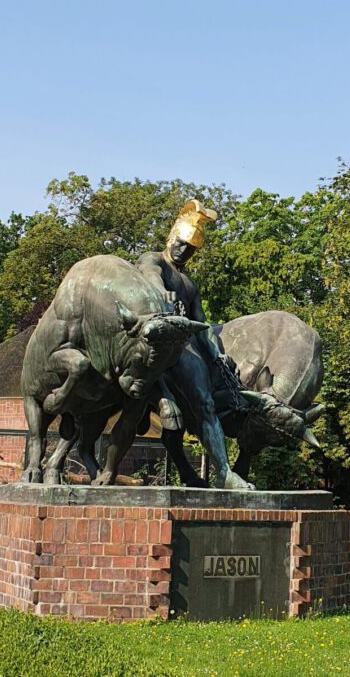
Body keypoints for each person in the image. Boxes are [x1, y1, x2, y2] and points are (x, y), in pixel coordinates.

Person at [136, 200, 252, 490]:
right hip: (153, 335)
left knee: (206, 404)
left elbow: (202, 325)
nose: (183, 250)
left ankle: (224, 472)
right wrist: (162, 293)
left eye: (190, 248)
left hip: (184, 346)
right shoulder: (153, 261)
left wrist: (216, 354)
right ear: (171, 236)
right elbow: (149, 276)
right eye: (180, 243)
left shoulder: (189, 284)